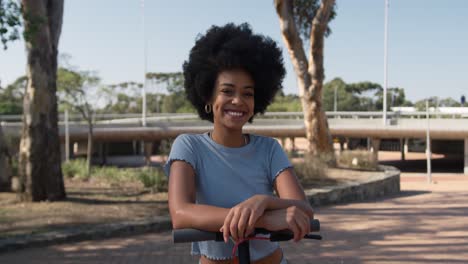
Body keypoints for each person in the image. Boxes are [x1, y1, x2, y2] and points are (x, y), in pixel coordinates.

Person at [165, 23, 314, 264]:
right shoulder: (189, 146)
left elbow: (303, 209)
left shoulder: (269, 149)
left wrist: (262, 201)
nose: (238, 100)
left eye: (248, 93)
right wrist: (262, 218)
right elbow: (181, 213)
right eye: (227, 91)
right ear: (208, 96)